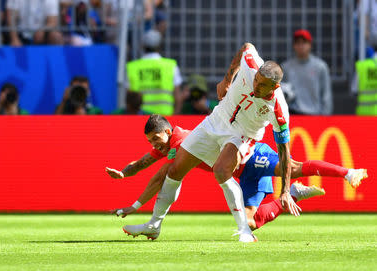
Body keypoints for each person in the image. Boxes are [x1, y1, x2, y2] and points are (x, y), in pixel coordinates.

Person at [122, 43, 294, 243]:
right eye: (256, 80)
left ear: (275, 87)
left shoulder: (279, 110)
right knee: (175, 169)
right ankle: (153, 225)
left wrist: (286, 191)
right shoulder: (251, 63)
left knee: (221, 170)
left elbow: (284, 151)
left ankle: (244, 231)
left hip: (242, 134)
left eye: (263, 85)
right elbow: (246, 47)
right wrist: (227, 79)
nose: (256, 86)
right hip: (215, 120)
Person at [106, 115, 368, 239]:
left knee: (294, 167)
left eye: (156, 139)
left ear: (168, 131)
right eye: (151, 141)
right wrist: (124, 173)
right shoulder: (169, 145)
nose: (155, 145)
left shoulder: (183, 142)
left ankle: (348, 172)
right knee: (252, 223)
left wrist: (135, 205)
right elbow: (143, 162)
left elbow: (162, 173)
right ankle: (295, 193)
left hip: (251, 157)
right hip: (243, 174)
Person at [126, 29, 183, 115]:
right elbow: (178, 97)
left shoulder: (132, 67)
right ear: (159, 46)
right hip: (165, 120)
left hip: (140, 120)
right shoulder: (170, 66)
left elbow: (129, 98)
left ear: (143, 46)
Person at [281, 29, 332, 115]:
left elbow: (326, 94)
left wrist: (325, 117)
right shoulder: (285, 67)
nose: (301, 46)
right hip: (293, 115)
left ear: (310, 45)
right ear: (294, 46)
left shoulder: (320, 66)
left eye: (304, 42)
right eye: (298, 43)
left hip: (315, 115)